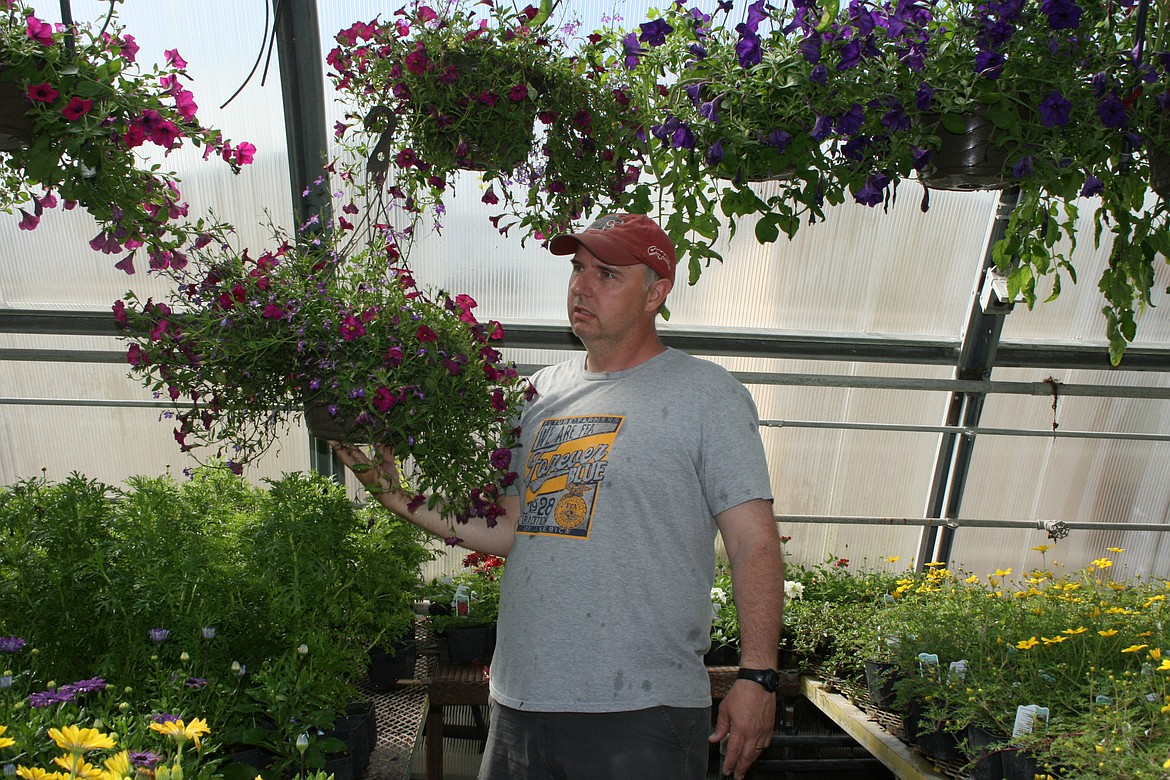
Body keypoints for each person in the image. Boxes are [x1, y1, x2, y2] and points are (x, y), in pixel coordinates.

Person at [332, 212, 784, 780]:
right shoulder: (542, 391)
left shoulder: (707, 396)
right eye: (577, 267)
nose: (581, 285)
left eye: (607, 274)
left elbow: (753, 542)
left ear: (656, 293)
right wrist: (398, 496)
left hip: (639, 712)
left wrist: (757, 674)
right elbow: (513, 524)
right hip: (520, 702)